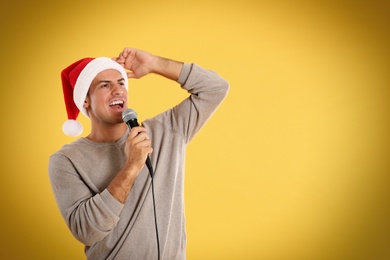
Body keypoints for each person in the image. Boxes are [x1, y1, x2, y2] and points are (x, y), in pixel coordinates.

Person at [49, 47, 229, 260]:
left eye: (122, 82)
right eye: (105, 85)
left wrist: (154, 64)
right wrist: (131, 166)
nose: (118, 90)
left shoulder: (166, 130)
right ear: (85, 100)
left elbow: (216, 88)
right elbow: (87, 231)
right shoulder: (66, 160)